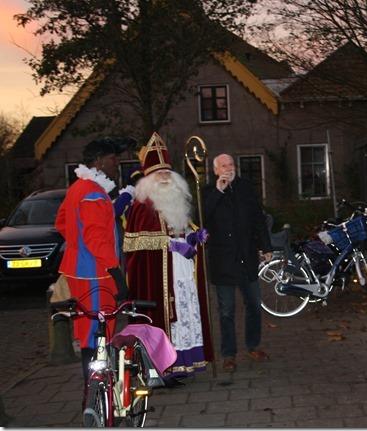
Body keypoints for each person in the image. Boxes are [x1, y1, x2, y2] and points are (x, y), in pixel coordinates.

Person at [124, 133, 213, 380]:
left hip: (182, 272)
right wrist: (172, 246)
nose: (164, 178)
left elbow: (184, 231)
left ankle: (186, 362)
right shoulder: (142, 206)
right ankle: (164, 367)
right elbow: (134, 242)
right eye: (158, 174)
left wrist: (195, 237)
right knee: (168, 319)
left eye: (167, 173)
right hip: (160, 275)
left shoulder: (177, 200)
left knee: (186, 315)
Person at [55, 137, 129, 385]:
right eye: (111, 158)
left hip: (79, 271)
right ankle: (98, 390)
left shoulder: (77, 187)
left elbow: (62, 223)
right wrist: (116, 272)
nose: (115, 163)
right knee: (100, 332)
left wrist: (78, 248)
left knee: (87, 332)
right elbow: (97, 238)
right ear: (98, 161)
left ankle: (94, 392)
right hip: (96, 274)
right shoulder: (94, 194)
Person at [204, 153, 272, 373]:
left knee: (253, 304)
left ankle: (252, 345)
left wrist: (266, 246)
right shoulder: (208, 191)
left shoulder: (245, 187)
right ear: (215, 170)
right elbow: (201, 217)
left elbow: (258, 219)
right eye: (223, 165)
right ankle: (228, 354)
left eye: (231, 164)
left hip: (246, 257)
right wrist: (218, 191)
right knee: (226, 310)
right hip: (222, 261)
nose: (228, 168)